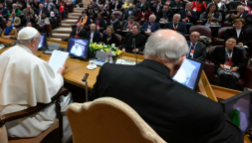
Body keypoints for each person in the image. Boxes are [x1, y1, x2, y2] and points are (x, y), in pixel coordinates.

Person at [90, 29, 243, 143]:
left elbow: (92, 108)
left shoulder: (108, 72)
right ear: (182, 62)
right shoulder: (207, 109)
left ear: (145, 51)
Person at [0, 27, 72, 141]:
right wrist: (59, 74)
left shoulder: (5, 53)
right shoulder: (34, 63)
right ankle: (65, 138)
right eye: (38, 41)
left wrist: (43, 66)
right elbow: (52, 89)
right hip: (19, 121)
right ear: (33, 42)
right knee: (66, 97)